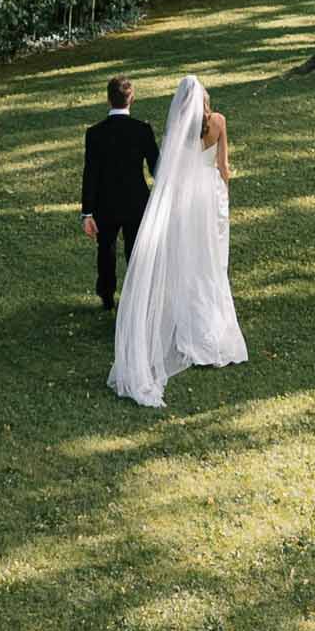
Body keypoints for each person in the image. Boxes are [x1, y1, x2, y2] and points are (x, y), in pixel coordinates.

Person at [108, 74, 248, 408]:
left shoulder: (178, 130)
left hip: (187, 200)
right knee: (212, 262)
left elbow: (170, 172)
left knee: (189, 261)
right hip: (210, 198)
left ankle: (188, 330)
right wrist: (224, 195)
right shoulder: (218, 121)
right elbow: (223, 166)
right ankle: (213, 331)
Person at [80, 75, 159, 311]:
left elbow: (90, 174)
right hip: (136, 201)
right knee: (135, 250)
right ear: (131, 98)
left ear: (108, 100)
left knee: (106, 249)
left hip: (106, 202)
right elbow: (157, 168)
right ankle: (137, 295)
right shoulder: (142, 130)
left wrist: (87, 213)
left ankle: (106, 295)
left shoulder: (94, 133)